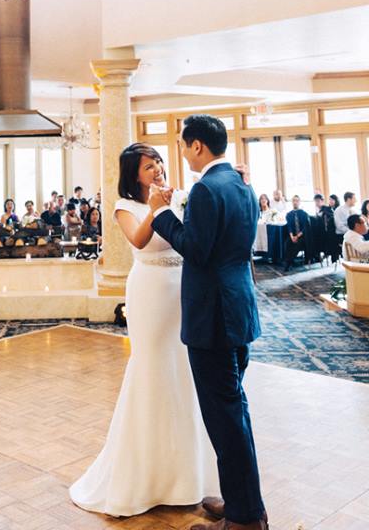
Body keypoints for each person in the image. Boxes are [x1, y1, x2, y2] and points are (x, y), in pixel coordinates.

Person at [69, 142, 218, 517]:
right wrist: (156, 209)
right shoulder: (125, 206)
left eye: (159, 162)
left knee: (184, 371)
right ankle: (144, 476)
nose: (157, 169)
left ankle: (185, 476)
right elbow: (138, 240)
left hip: (182, 289)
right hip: (150, 291)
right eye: (149, 166)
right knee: (153, 370)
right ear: (133, 174)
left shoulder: (180, 196)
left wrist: (171, 204)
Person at [152, 114, 267, 530]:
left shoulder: (205, 189)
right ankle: (245, 503)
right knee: (235, 410)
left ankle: (244, 518)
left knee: (224, 416)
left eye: (184, 146)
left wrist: (163, 213)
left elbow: (194, 250)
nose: (183, 154)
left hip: (212, 317)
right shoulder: (242, 184)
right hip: (239, 309)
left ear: (197, 146)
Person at [283, 195, 311, 271]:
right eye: (294, 201)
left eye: (297, 201)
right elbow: (289, 226)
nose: (295, 202)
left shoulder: (304, 214)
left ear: (299, 202)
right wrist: (292, 236)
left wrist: (297, 236)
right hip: (293, 235)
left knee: (298, 243)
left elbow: (305, 227)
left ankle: (288, 263)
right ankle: (288, 261)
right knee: (287, 243)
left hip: (303, 236)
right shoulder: (289, 214)